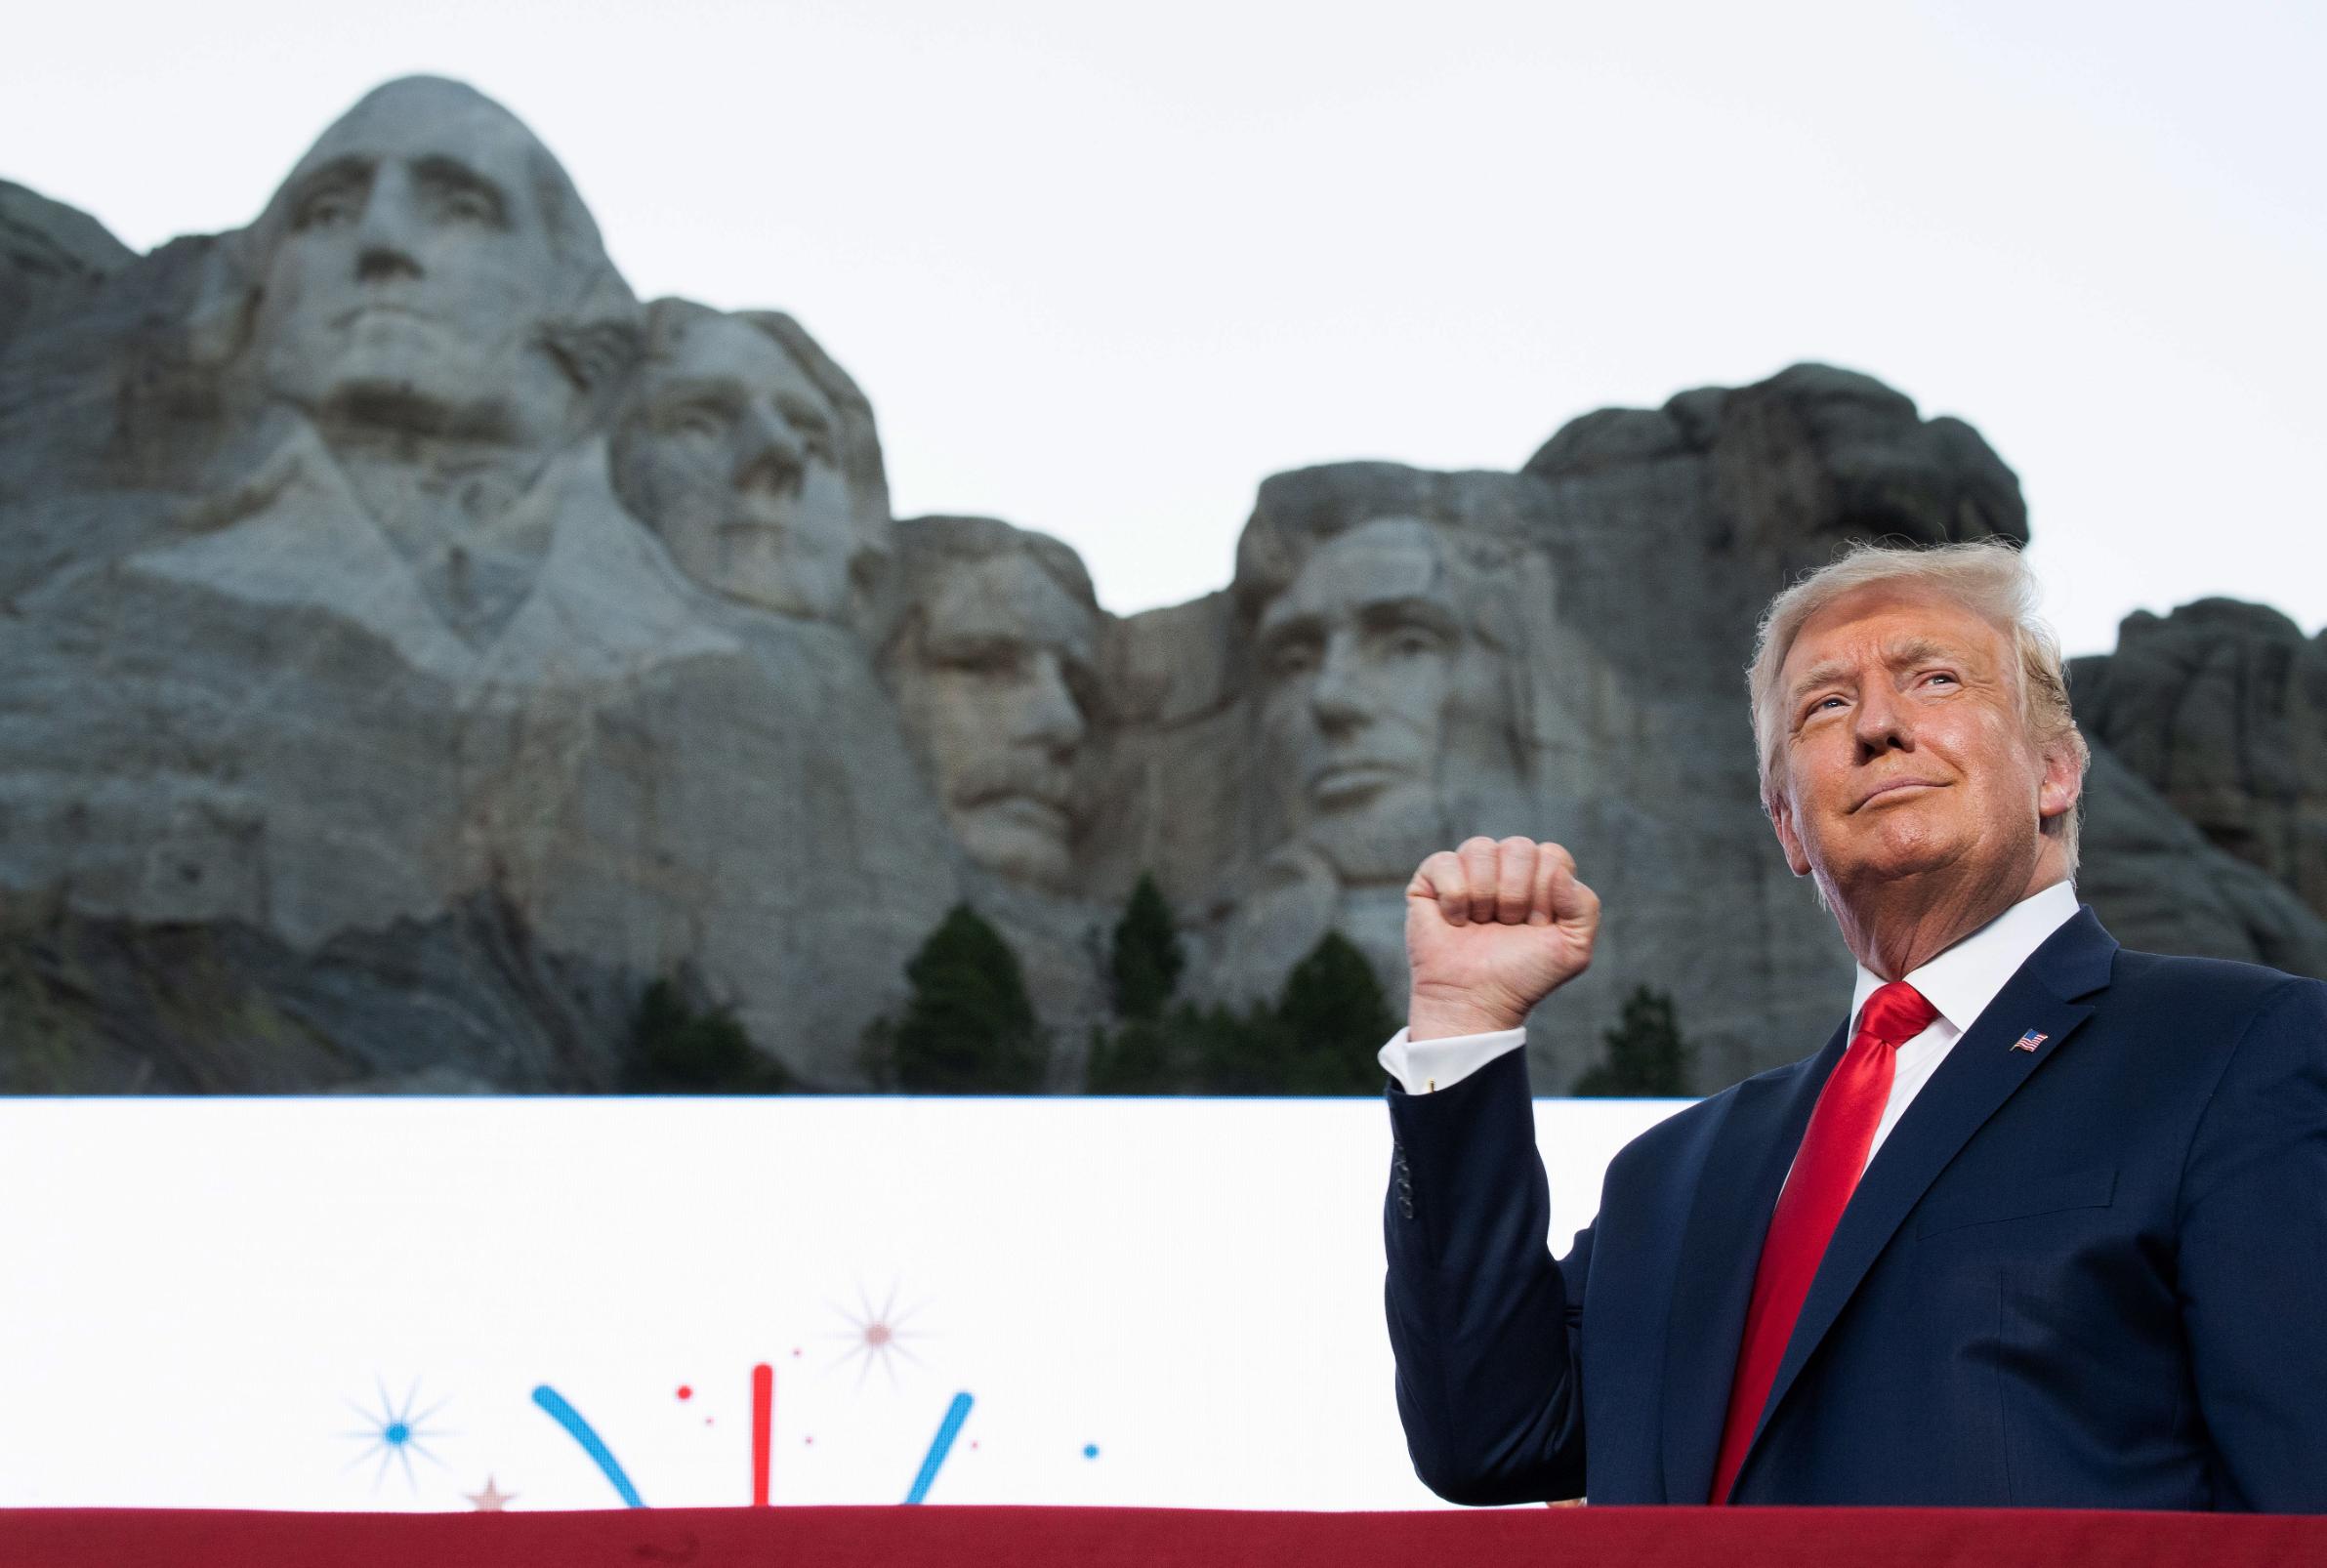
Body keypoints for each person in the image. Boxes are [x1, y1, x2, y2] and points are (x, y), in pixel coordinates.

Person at [1382, 539, 2327, 1509]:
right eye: (1824, 705)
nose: (1876, 723)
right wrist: (1463, 1027)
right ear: (1789, 825)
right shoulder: (1670, 1177)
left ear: (2054, 771)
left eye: (1935, 678)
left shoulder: (2240, 1050)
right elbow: (1486, 1439)